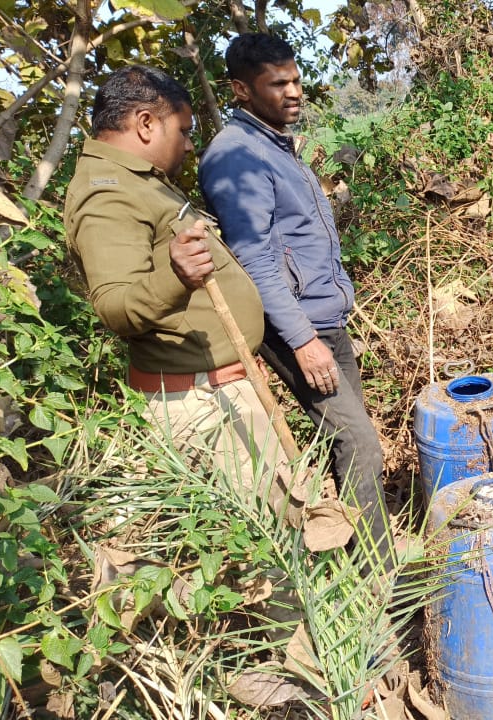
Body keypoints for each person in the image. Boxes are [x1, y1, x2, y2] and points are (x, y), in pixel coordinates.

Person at [64, 65, 302, 521]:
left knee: (281, 524)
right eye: (184, 130)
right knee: (267, 543)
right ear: (146, 123)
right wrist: (176, 274)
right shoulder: (109, 194)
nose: (190, 144)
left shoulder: (142, 182)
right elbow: (115, 306)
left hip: (222, 388)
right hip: (198, 404)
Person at [199, 33, 391, 563]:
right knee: (359, 444)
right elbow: (254, 257)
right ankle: (381, 580)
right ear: (241, 89)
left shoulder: (275, 145)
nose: (293, 92)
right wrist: (303, 340)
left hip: (324, 320)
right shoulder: (235, 157)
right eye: (277, 84)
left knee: (350, 443)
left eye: (296, 80)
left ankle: (355, 559)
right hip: (297, 327)